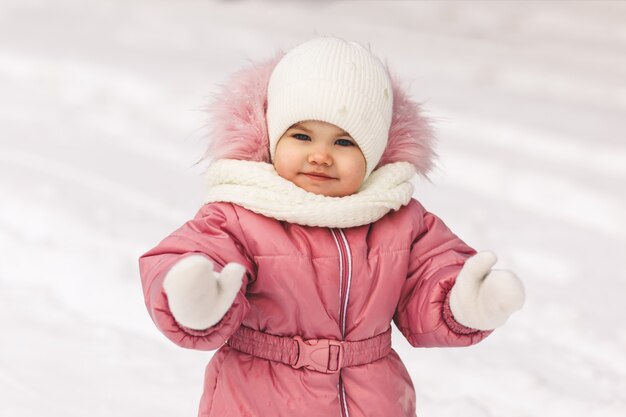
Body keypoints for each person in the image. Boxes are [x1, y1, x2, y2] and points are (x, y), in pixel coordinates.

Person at [139, 37, 525, 417]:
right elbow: (192, 254)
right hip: (258, 400)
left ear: (372, 156)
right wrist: (194, 299)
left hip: (373, 398)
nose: (320, 155)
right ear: (272, 138)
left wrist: (465, 303)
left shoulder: (399, 219)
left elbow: (431, 278)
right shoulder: (240, 214)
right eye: (302, 136)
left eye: (344, 142)